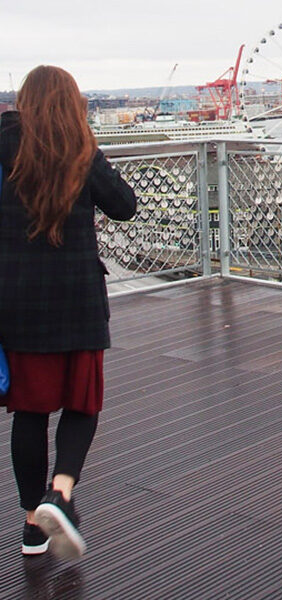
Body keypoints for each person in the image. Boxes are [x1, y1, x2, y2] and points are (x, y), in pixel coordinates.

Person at [0, 65, 136, 559]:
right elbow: (125, 206)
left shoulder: (3, 145)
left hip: (18, 304)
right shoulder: (82, 151)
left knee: (30, 413)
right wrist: (92, 154)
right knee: (82, 404)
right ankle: (61, 491)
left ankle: (33, 525)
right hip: (77, 300)